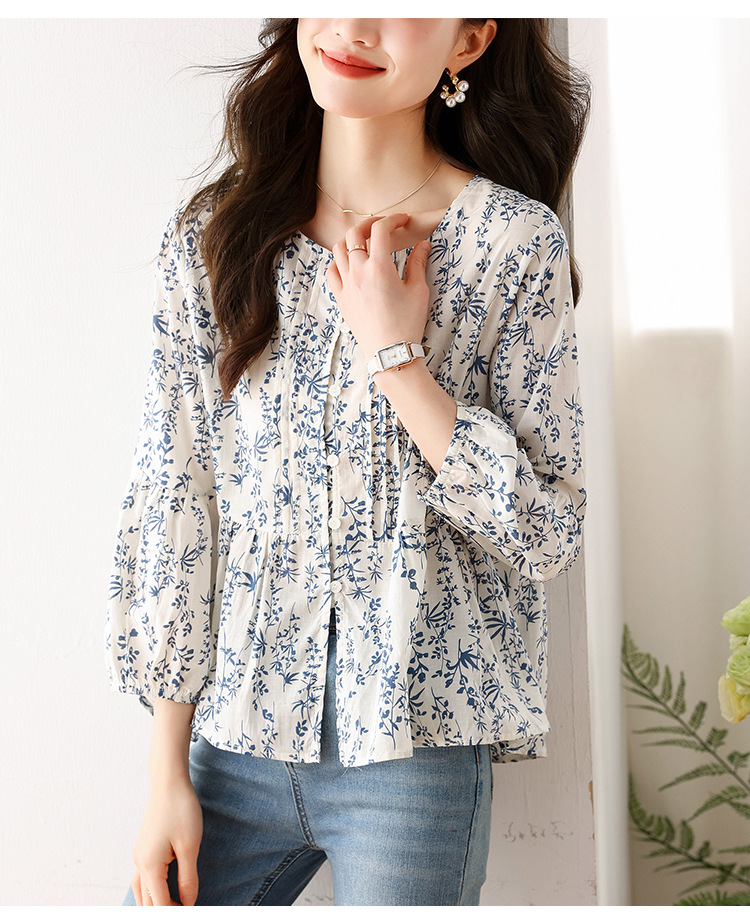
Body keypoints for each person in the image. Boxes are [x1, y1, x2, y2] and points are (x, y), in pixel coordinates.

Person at [105, 17, 590, 907]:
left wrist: (397, 359)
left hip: (414, 755)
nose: (355, 25)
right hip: (231, 741)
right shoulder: (217, 235)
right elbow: (179, 499)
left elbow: (547, 529)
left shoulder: (513, 245)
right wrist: (164, 769)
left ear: (469, 42)